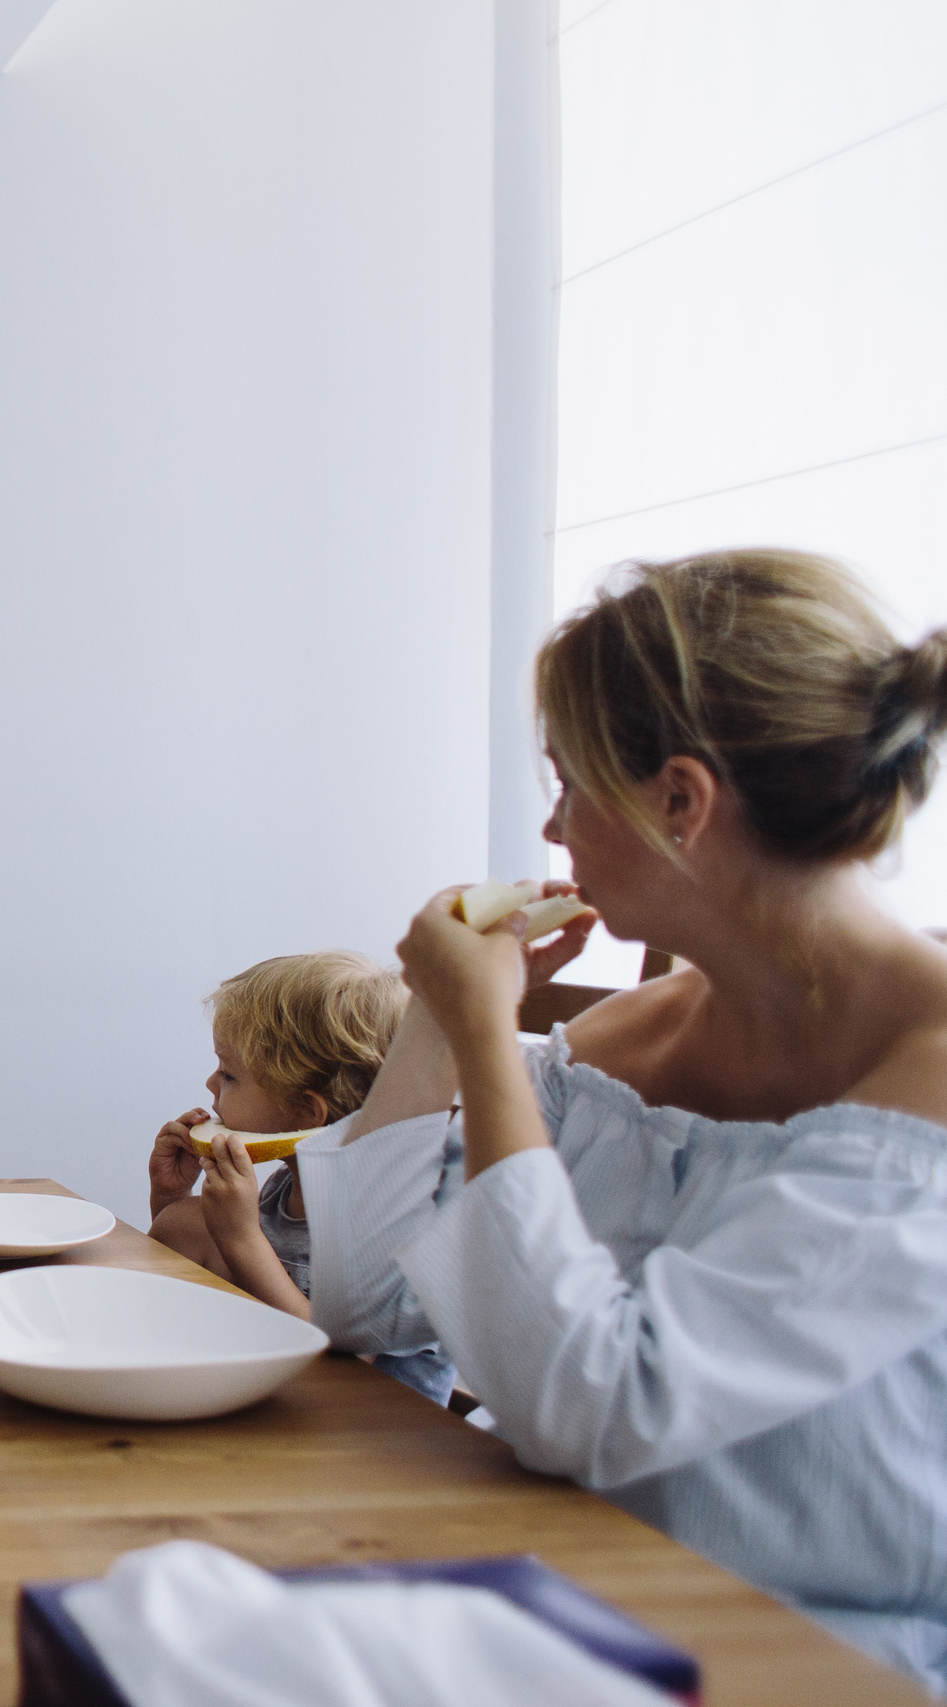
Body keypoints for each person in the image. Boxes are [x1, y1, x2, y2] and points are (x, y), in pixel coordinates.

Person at [301, 549, 947, 1687]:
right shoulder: (620, 1046)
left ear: (679, 802)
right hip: (564, 1602)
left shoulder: (926, 1089)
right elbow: (366, 1305)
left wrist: (490, 1047)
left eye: (568, 783)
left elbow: (594, 1401)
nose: (552, 831)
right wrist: (434, 1031)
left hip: (810, 1660)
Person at [145, 951, 454, 1404]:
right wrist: (171, 1198)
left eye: (229, 1073)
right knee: (185, 1221)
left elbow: (340, 1369)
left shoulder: (389, 1218)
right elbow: (204, 1266)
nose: (211, 1084)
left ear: (306, 1112)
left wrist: (242, 1237)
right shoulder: (290, 1184)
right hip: (285, 1405)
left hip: (377, 1440)